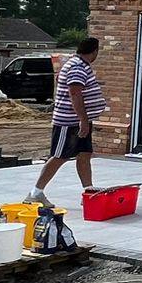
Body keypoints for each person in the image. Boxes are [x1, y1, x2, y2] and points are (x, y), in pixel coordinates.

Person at [27, 37, 106, 202]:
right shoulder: (77, 67)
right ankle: (35, 193)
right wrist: (83, 120)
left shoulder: (80, 65)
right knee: (59, 156)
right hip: (69, 122)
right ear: (95, 52)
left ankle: (88, 191)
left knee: (85, 154)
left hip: (79, 121)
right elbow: (75, 94)